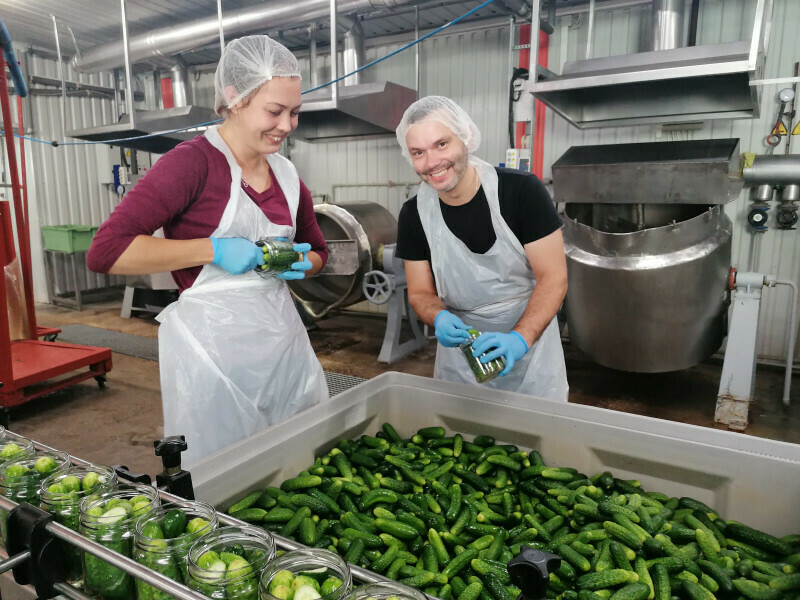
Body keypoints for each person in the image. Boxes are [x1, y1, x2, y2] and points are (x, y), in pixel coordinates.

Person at [87, 35, 329, 465]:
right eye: (275, 111)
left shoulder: (288, 176)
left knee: (299, 461)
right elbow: (106, 251)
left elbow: (319, 254)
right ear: (234, 98)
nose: (288, 125)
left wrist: (297, 262)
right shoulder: (191, 164)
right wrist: (211, 250)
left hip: (284, 350)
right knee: (226, 470)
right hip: (215, 357)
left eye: (295, 112)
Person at [394, 96, 569, 401]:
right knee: (460, 427)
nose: (431, 162)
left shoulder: (521, 192)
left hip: (531, 350)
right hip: (462, 359)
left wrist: (519, 339)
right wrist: (438, 317)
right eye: (418, 152)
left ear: (466, 138)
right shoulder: (414, 214)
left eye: (441, 144)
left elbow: (554, 278)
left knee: (536, 427)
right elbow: (420, 293)